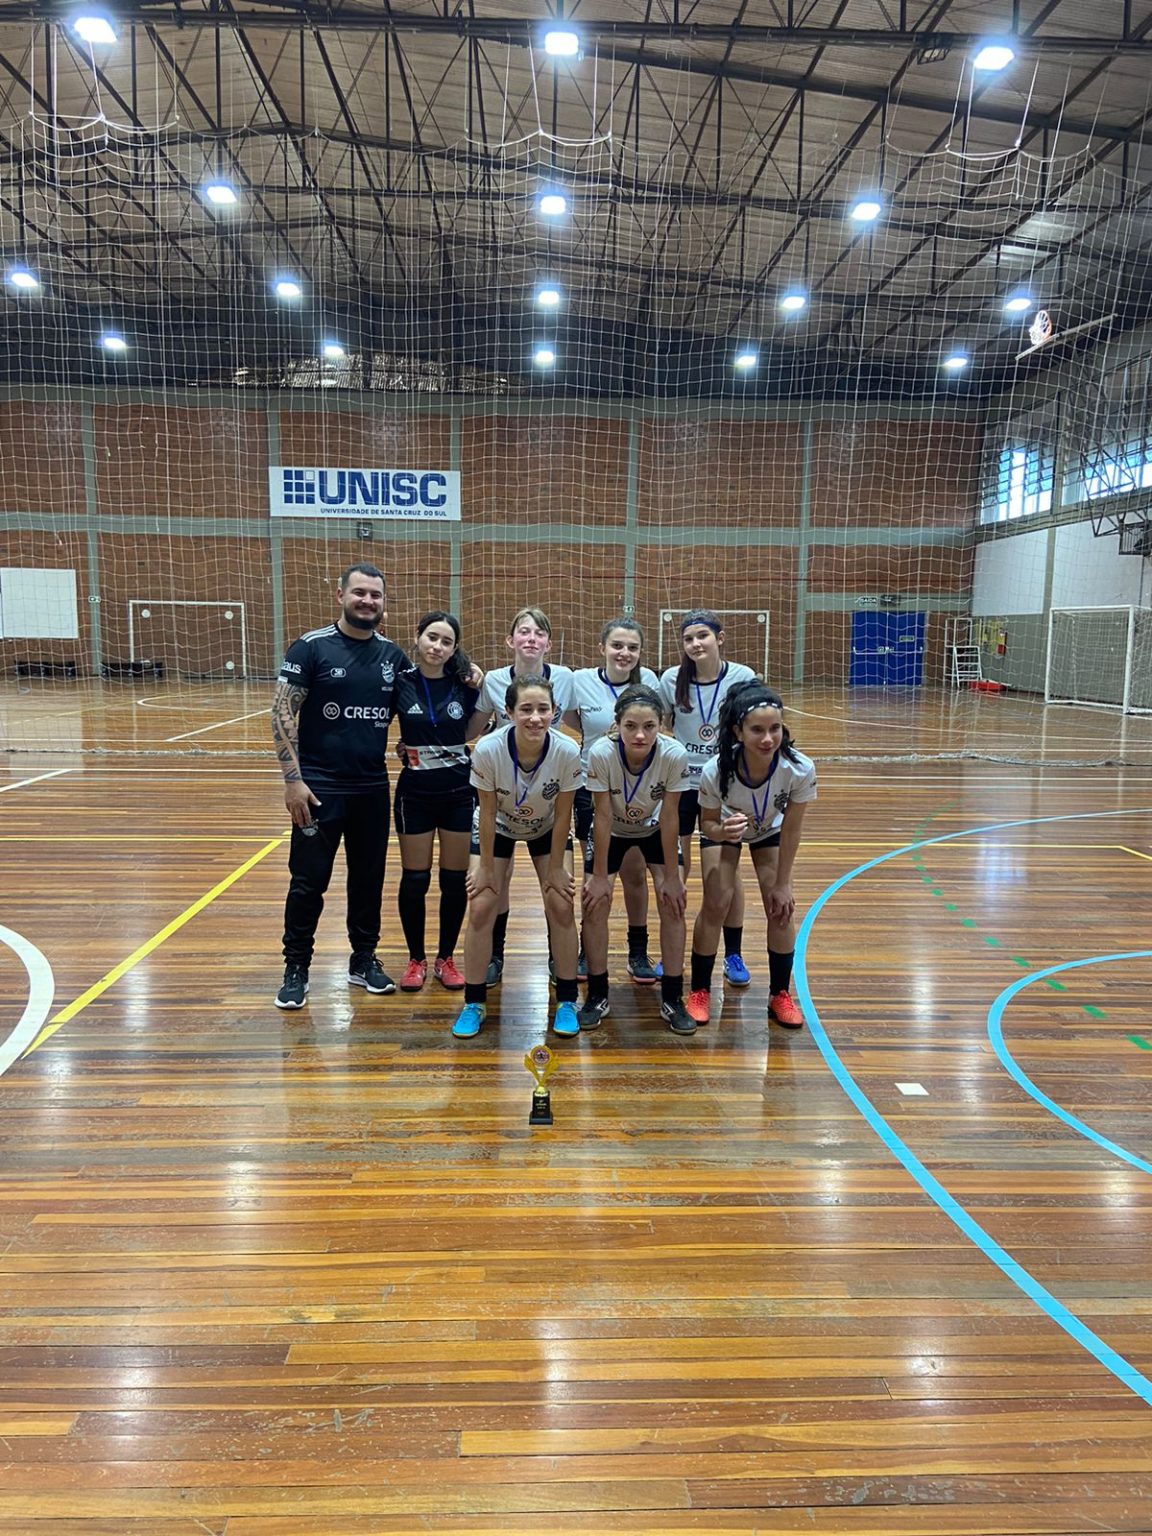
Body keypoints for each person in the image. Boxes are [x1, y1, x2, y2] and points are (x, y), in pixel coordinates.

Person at [271, 563, 406, 1009]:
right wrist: (293, 782)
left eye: (375, 595)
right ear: (340, 595)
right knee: (308, 882)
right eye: (359, 593)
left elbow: (420, 703)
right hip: (318, 789)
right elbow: (282, 713)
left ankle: (363, 959)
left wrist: (469, 673)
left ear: (384, 603)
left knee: (368, 881)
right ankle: (296, 966)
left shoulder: (393, 657)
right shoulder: (311, 647)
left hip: (372, 788)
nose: (367, 601)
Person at [452, 674, 582, 1040]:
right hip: (498, 826)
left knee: (561, 904)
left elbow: (564, 814)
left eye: (543, 709)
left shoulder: (566, 751)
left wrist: (555, 869)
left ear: (555, 712)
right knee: (481, 905)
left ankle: (567, 999)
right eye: (526, 709)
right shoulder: (489, 749)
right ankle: (474, 1001)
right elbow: (487, 812)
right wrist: (486, 868)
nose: (535, 718)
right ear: (508, 712)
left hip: (547, 826)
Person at [686, 682, 816, 1029]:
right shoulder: (716, 770)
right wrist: (722, 831)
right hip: (726, 829)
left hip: (770, 830)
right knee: (716, 903)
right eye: (757, 730)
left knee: (781, 908)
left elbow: (792, 829)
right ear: (738, 732)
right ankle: (699, 990)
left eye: (775, 728)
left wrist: (783, 884)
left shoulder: (799, 768)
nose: (768, 738)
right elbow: (707, 824)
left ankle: (780, 994)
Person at [580, 685, 695, 1035]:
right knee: (594, 903)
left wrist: (672, 877)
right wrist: (600, 876)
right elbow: (601, 816)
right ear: (617, 725)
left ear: (662, 725)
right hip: (612, 830)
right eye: (630, 726)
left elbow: (671, 816)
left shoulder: (674, 754)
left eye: (649, 726)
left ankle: (672, 997)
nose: (640, 735)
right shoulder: (601, 753)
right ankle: (597, 994)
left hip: (654, 828)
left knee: (673, 902)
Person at [477, 607, 576, 987]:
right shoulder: (492, 681)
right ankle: (494, 955)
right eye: (524, 631)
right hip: (503, 793)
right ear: (511, 640)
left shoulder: (566, 678)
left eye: (539, 633)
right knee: (492, 888)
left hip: (547, 793)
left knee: (559, 894)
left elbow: (589, 714)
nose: (531, 638)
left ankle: (560, 960)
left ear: (549, 643)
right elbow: (474, 724)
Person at [392, 612, 491, 993]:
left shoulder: (465, 685)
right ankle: (415, 959)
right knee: (415, 879)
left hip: (458, 793)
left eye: (446, 641)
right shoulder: (400, 682)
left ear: (454, 649)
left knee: (453, 880)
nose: (437, 646)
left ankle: (446, 958)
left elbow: (480, 728)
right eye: (432, 637)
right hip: (414, 794)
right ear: (418, 637)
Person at [658, 610, 757, 988]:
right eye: (688, 638)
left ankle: (733, 953)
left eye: (702, 636)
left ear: (720, 638)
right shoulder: (671, 679)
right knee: (676, 869)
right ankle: (673, 952)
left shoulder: (742, 677)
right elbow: (663, 722)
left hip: (725, 785)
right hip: (682, 785)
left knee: (727, 873)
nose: (696, 644)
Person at [564, 617, 663, 983]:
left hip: (637, 785)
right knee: (596, 873)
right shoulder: (580, 681)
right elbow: (572, 718)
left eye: (632, 647)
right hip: (591, 788)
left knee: (635, 872)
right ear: (602, 648)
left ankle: (637, 950)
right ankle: (587, 949)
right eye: (617, 645)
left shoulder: (648, 680)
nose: (624, 653)